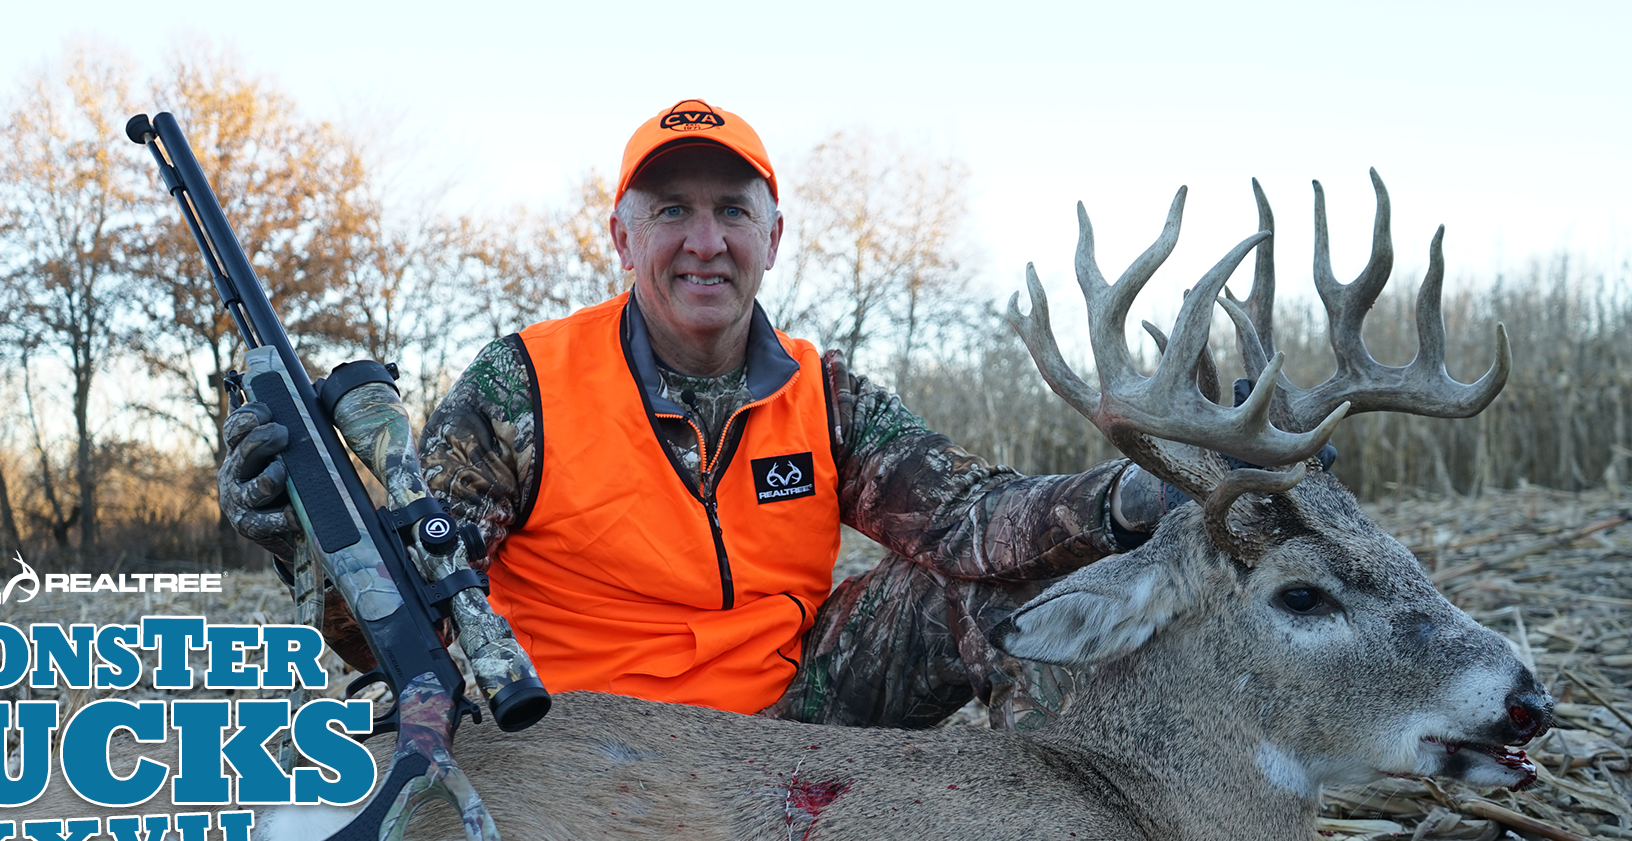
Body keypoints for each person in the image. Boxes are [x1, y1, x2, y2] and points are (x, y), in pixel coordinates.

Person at [220, 99, 1180, 729]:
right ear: (622, 236)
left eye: (732, 209)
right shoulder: (523, 386)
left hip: (787, 715)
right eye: (671, 210)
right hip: (576, 733)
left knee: (1005, 587)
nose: (704, 242)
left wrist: (1128, 500)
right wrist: (299, 538)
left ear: (774, 235)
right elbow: (417, 599)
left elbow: (975, 517)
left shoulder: (823, 391)